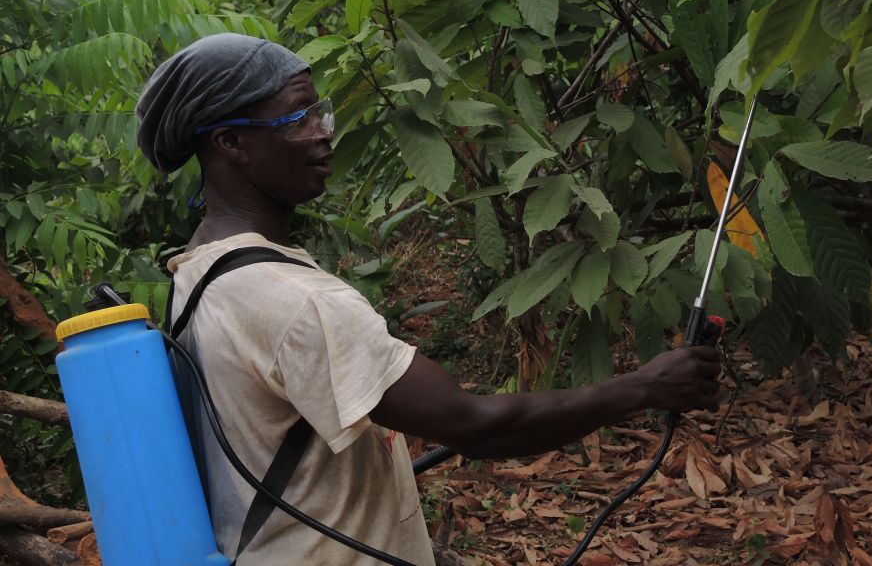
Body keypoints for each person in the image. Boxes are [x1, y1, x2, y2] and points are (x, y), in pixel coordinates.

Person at [135, 33, 721, 566]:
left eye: (320, 111)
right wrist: (645, 387)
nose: (323, 131)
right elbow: (474, 425)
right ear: (231, 142)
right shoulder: (297, 302)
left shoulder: (200, 273)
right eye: (297, 117)